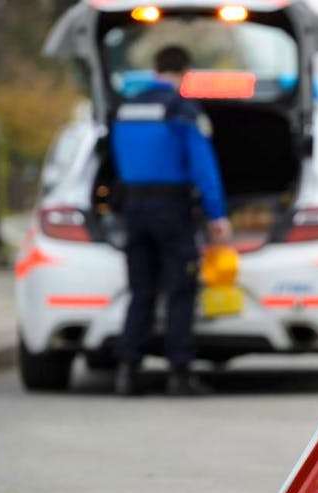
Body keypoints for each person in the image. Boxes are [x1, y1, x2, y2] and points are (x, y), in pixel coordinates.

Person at [111, 45, 232, 397]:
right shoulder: (182, 110)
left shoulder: (126, 108)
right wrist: (217, 214)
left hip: (133, 208)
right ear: (185, 72)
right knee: (180, 289)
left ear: (155, 69)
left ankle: (127, 370)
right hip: (171, 209)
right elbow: (202, 167)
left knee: (141, 290)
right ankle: (180, 373)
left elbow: (117, 159)